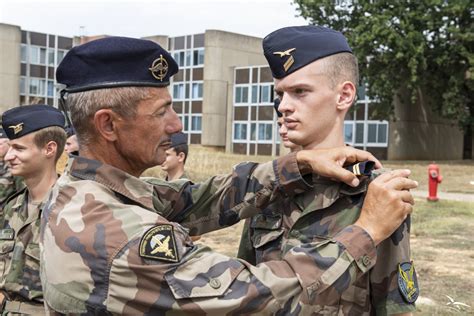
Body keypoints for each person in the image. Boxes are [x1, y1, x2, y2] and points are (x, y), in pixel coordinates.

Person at [40, 36, 409, 314]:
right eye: (161, 112)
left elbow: (198, 198)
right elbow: (252, 295)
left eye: (300, 92)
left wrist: (298, 166)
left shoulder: (78, 189)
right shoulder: (121, 232)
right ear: (108, 125)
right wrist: (366, 232)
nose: (176, 124)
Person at [238, 25, 419, 315]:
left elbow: (392, 306)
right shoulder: (269, 184)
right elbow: (244, 290)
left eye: (300, 92)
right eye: (280, 94)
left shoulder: (375, 193)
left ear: (344, 96)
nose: (283, 106)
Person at [0, 104, 66, 314]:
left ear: (49, 149)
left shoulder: (72, 207)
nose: (8, 156)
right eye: (9, 147)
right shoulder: (14, 205)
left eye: (19, 148)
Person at [0, 127, 24, 205]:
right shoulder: (2, 164)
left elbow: (22, 192)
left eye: (0, 144)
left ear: (9, 144)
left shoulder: (16, 165)